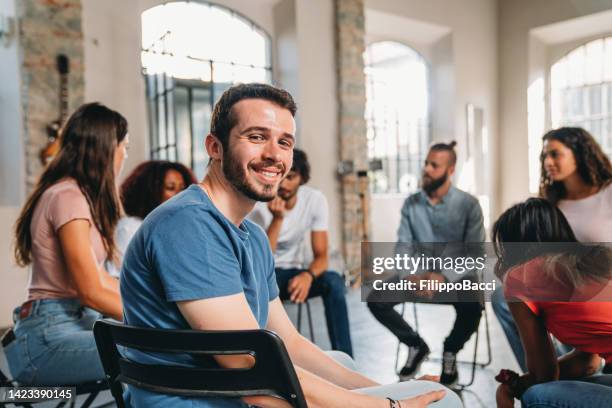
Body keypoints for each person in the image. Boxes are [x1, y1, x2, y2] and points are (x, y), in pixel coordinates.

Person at [120, 83, 462, 407]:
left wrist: (382, 390)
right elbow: (250, 367)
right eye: (256, 137)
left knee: (344, 362)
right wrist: (386, 404)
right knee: (446, 401)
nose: (274, 155)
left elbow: (290, 342)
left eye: (285, 143)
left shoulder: (252, 237)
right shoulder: (189, 224)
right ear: (215, 147)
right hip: (203, 401)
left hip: (234, 394)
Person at [4, 103, 127, 385]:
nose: (125, 156)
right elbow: (90, 291)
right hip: (47, 337)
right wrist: (156, 323)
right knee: (154, 352)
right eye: (125, 146)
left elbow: (100, 279)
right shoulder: (67, 196)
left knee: (161, 347)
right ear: (108, 148)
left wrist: (150, 306)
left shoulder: (74, 195)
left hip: (71, 322)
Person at [492, 127, 612, 372]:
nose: (548, 162)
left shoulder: (608, 193)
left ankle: (549, 374)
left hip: (596, 279)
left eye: (555, 154)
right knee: (503, 297)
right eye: (544, 156)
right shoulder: (551, 201)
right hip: (567, 283)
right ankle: (551, 366)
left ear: (579, 153)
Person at [367, 141, 486, 387]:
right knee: (376, 297)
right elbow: (403, 245)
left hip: (455, 279)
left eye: (434, 165)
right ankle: (415, 345)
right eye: (426, 163)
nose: (427, 169)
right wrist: (413, 274)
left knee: (474, 303)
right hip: (418, 278)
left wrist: (442, 277)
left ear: (450, 170)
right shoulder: (411, 204)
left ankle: (450, 350)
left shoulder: (469, 205)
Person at [492, 198, 612, 408]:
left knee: (536, 396)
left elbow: (543, 376)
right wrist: (520, 382)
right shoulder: (594, 262)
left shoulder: (522, 277)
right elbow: (588, 363)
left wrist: (506, 396)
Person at [248, 148, 353, 356]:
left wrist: (308, 275)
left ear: (302, 178)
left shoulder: (314, 200)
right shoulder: (257, 203)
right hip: (261, 277)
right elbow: (261, 260)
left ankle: (346, 359)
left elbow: (321, 256)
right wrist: (277, 219)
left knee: (333, 282)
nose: (284, 184)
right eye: (280, 176)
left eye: (291, 177)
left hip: (293, 275)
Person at [106, 160, 196, 277]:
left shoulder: (178, 229)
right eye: (170, 187)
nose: (180, 194)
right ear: (150, 191)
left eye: (183, 188)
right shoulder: (131, 228)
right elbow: (116, 276)